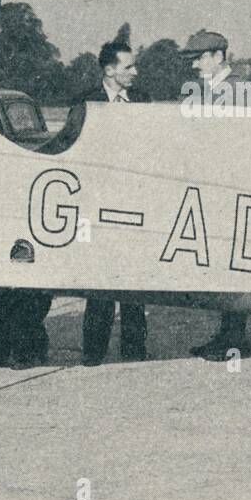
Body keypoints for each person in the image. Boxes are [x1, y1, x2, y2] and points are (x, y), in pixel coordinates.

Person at [179, 29, 251, 362]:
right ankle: (227, 335)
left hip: (235, 191)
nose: (194, 65)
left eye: (199, 58)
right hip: (210, 191)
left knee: (234, 266)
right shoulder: (201, 92)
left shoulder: (241, 91)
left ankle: (235, 339)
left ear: (219, 57)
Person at [79, 41, 151, 365]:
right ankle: (93, 354)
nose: (135, 72)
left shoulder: (144, 102)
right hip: (98, 204)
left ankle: (134, 352)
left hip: (135, 202)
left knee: (134, 285)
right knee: (99, 283)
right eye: (129, 67)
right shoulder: (86, 104)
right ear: (109, 70)